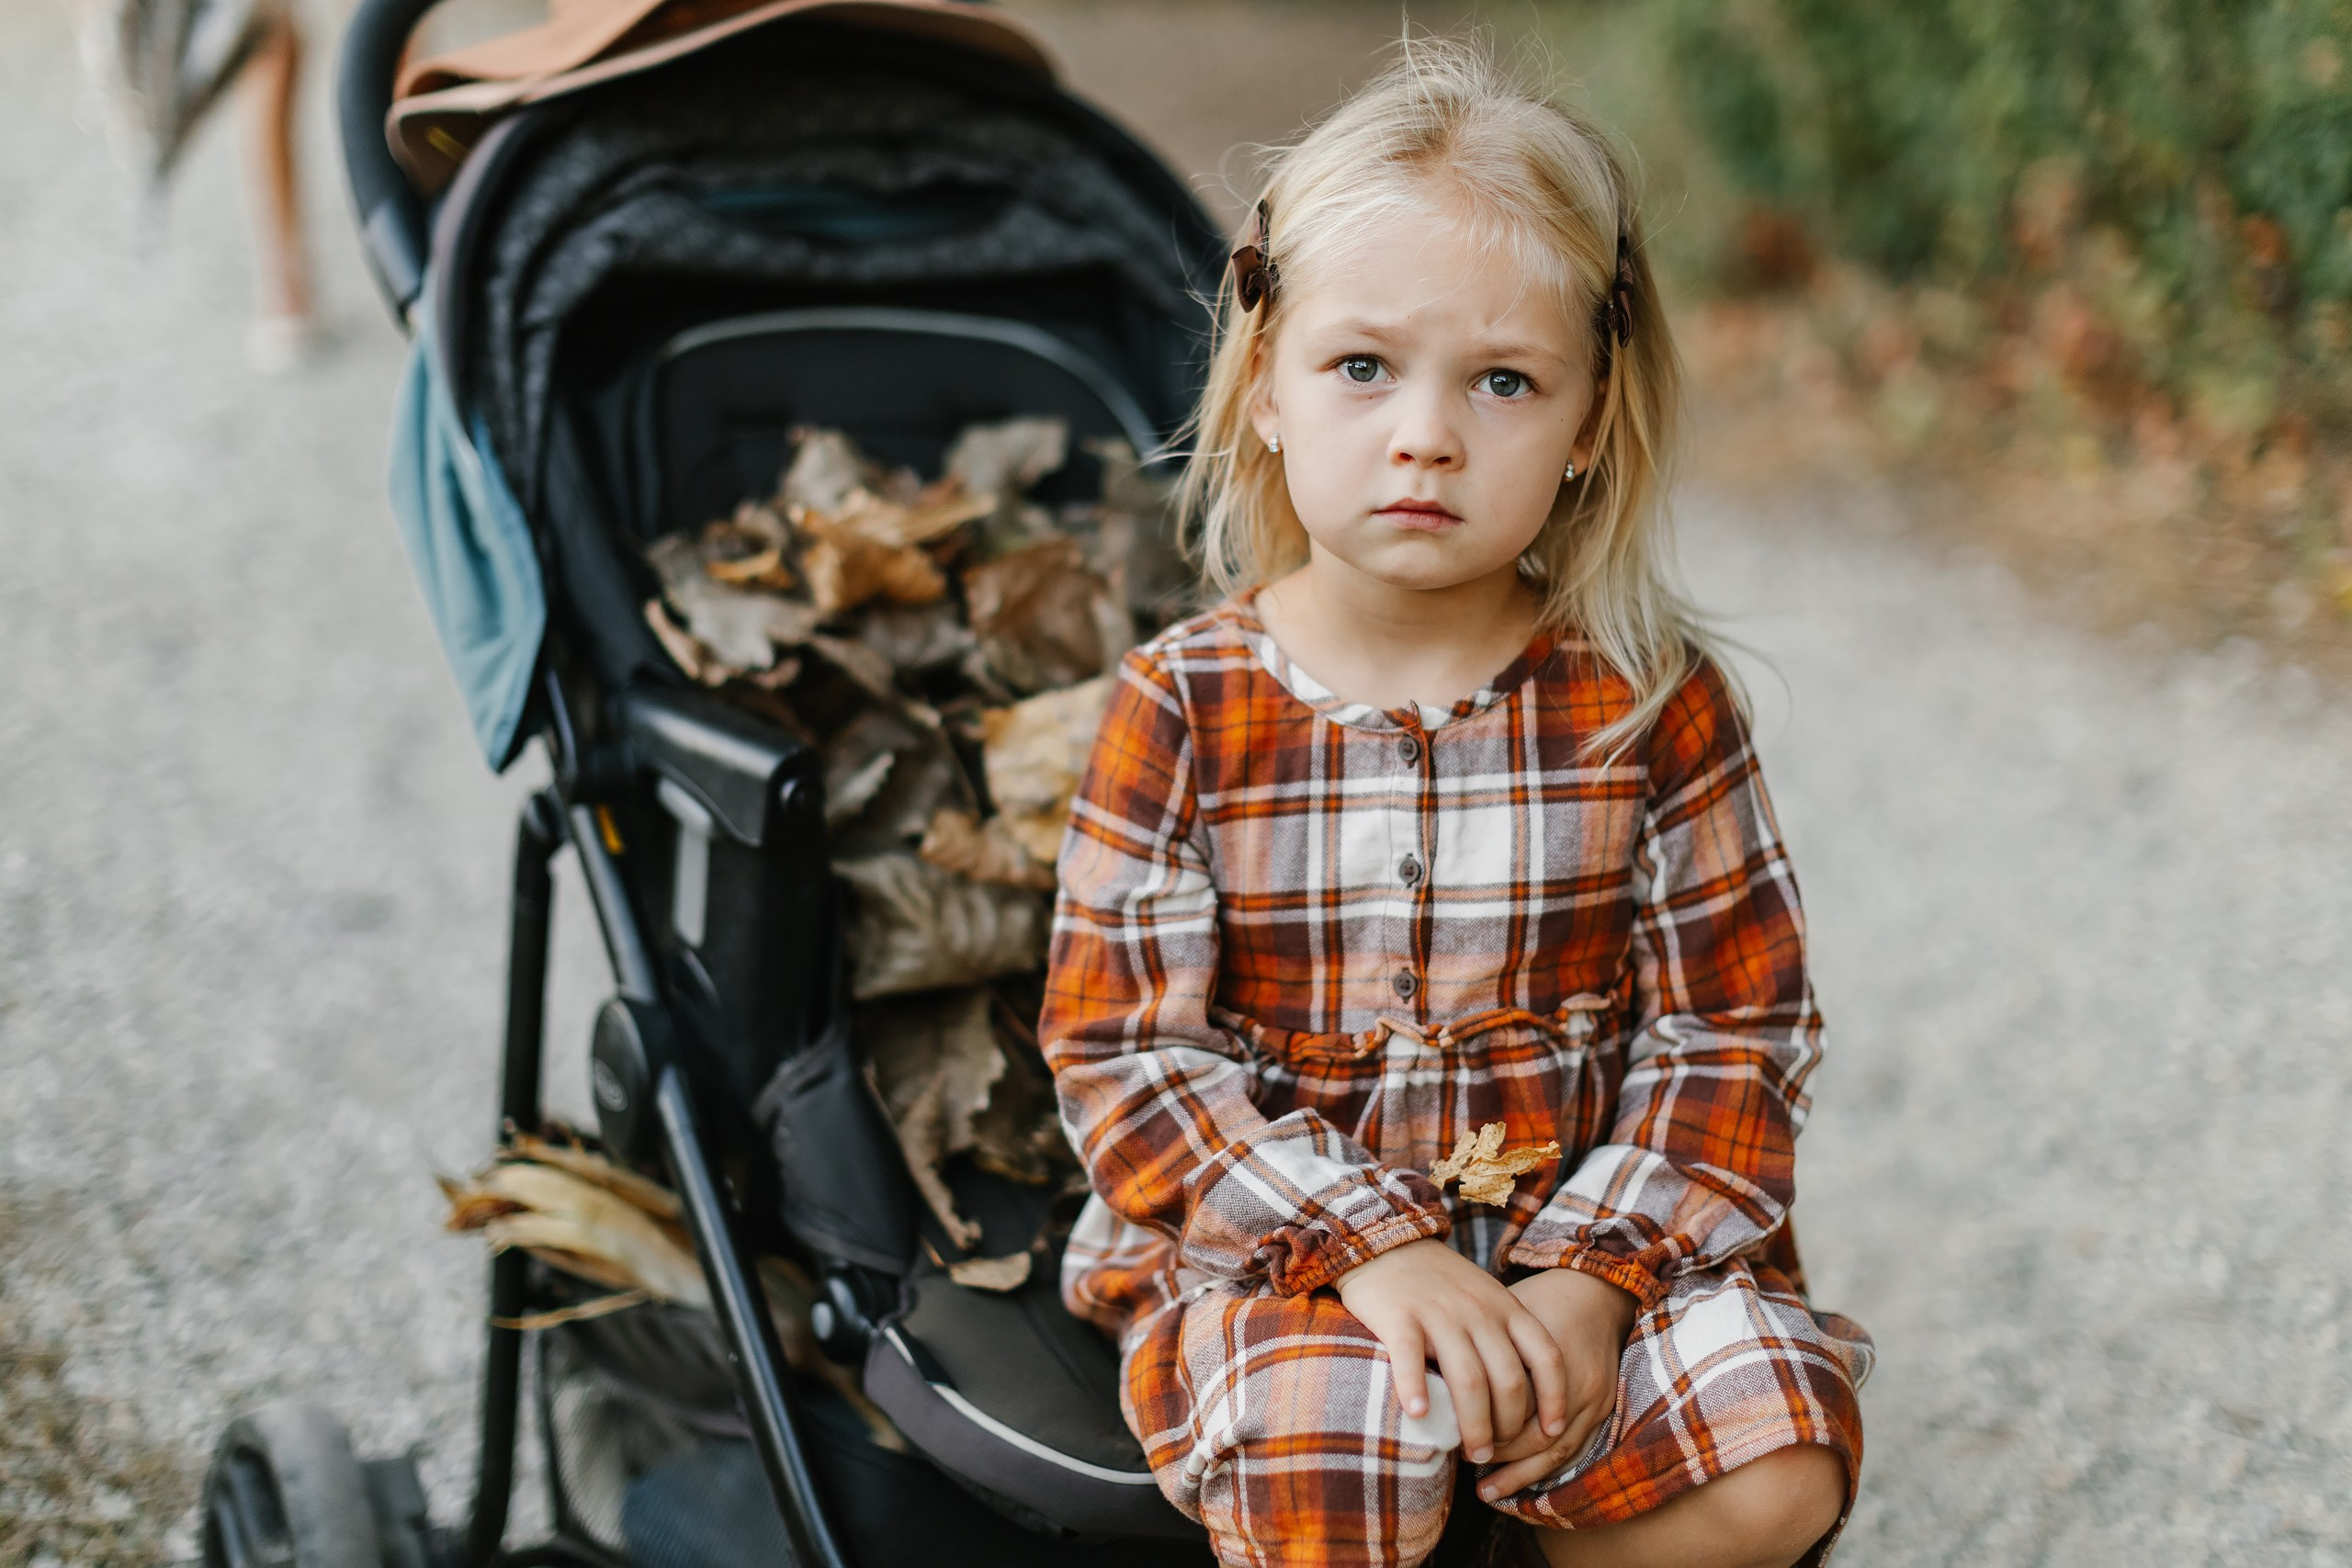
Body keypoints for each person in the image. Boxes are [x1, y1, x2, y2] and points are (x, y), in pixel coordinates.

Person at [1039, 39, 1873, 1568]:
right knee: (1337, 1452)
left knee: (1781, 1445)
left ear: (1587, 422)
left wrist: (1590, 1284)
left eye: (1502, 381)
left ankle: (1539, 1536)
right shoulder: (1184, 704)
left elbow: (1731, 1030)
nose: (1427, 432)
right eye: (1363, 366)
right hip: (1288, 1258)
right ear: (1268, 383)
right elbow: (1124, 1054)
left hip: (1595, 1232)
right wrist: (1369, 1249)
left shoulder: (1648, 698)